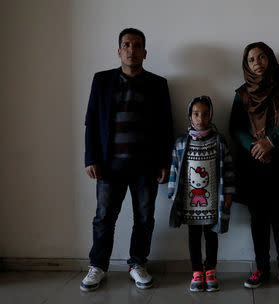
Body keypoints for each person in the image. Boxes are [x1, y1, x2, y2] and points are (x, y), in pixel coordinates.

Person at [80, 28, 173, 292]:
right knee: (103, 218)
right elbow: (91, 122)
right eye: (126, 45)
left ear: (145, 52)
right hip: (110, 165)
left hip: (146, 166)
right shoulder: (102, 80)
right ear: (119, 51)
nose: (132, 50)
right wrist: (91, 157)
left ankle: (137, 263)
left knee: (144, 218)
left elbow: (166, 126)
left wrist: (164, 163)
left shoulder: (158, 84)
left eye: (137, 45)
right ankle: (97, 265)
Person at [229, 42, 279, 290]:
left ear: (270, 59)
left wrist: (271, 141)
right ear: (246, 65)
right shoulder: (241, 93)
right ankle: (261, 268)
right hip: (253, 164)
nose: (257, 63)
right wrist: (256, 146)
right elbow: (235, 127)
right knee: (258, 219)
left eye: (262, 57)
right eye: (252, 59)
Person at [168, 96, 235, 292]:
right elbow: (174, 168)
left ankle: (211, 270)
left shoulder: (218, 141)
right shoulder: (181, 142)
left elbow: (228, 169)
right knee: (193, 236)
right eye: (196, 114)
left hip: (213, 201)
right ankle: (197, 272)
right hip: (190, 203)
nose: (201, 118)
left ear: (211, 115)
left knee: (212, 235)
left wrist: (229, 193)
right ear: (190, 116)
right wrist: (172, 193)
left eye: (205, 114)